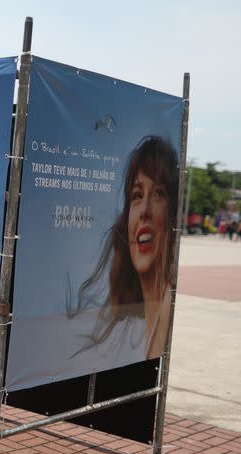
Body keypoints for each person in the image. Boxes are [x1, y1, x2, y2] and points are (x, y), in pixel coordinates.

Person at [69, 136, 179, 360]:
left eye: (159, 193)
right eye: (137, 196)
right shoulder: (135, 325)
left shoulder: (168, 303)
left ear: (173, 211)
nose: (144, 211)